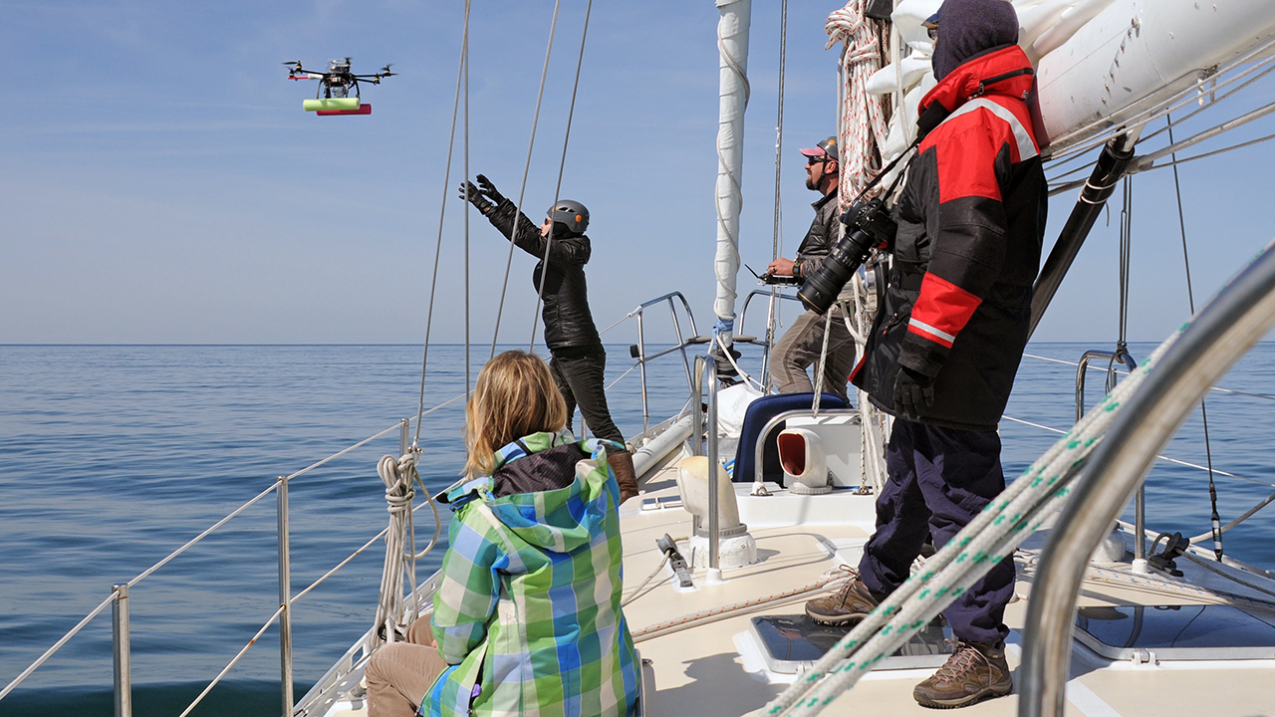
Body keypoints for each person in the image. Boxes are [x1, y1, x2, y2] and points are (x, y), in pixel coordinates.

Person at [803, 0, 1047, 709]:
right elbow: (942, 232)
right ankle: (879, 581)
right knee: (910, 468)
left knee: (958, 490)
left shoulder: (974, 124)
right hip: (941, 339)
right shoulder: (979, 121)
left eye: (937, 35)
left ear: (961, 42)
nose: (930, 46)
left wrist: (923, 347)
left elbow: (968, 243)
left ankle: (979, 648)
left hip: (949, 345)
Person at [366, 350, 641, 717]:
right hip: (607, 697)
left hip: (522, 708)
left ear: (485, 418)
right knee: (418, 630)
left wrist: (448, 647)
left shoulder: (484, 516)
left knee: (383, 665)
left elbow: (454, 642)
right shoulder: (600, 483)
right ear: (554, 403)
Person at [460, 175, 639, 503]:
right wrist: (502, 200)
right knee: (558, 425)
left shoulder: (573, 250)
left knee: (599, 422)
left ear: (561, 223)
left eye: (547, 219)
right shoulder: (559, 249)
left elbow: (530, 241)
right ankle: (561, 484)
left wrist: (486, 208)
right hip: (563, 351)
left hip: (580, 351)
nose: (542, 224)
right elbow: (529, 233)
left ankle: (627, 488)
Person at [766, 136, 858, 404]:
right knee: (829, 389)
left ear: (830, 167)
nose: (807, 166)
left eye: (812, 160)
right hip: (849, 305)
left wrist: (795, 268)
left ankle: (805, 425)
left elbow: (844, 261)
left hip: (838, 305)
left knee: (783, 360)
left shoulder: (840, 207)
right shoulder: (837, 204)